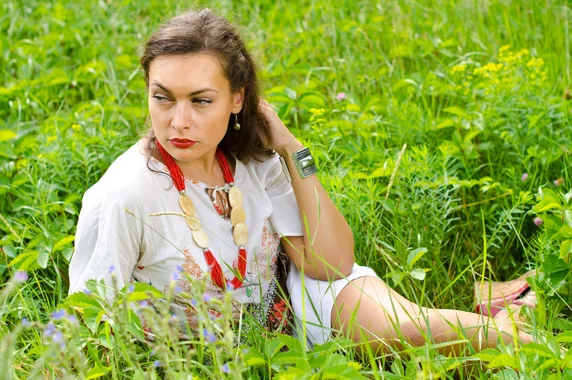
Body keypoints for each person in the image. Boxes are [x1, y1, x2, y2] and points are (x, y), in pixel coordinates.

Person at [68, 9, 535, 353]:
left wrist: (293, 150)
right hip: (208, 358)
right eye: (162, 98)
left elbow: (329, 263)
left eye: (201, 101)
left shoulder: (251, 159)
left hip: (294, 296)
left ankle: (520, 325)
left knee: (404, 331)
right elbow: (88, 320)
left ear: (237, 99)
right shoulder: (124, 196)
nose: (178, 122)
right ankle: (508, 306)